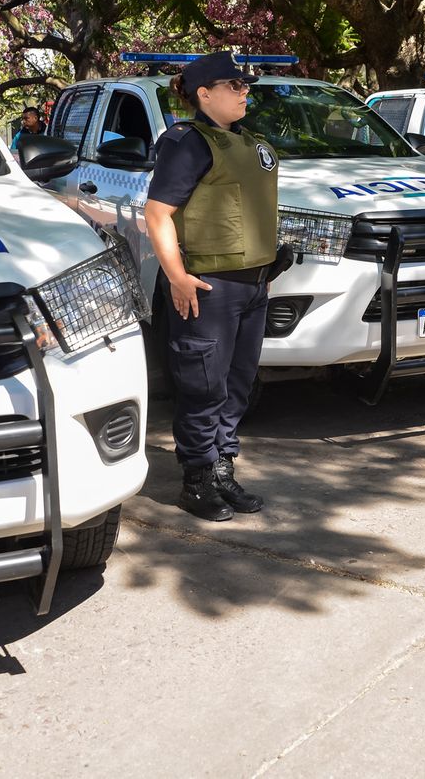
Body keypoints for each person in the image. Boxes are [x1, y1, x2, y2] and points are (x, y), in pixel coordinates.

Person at [142, 52, 281, 521]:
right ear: (204, 93)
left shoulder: (247, 142)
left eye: (246, 85)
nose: (245, 92)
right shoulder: (188, 143)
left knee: (237, 386)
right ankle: (197, 480)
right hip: (209, 285)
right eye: (234, 85)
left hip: (253, 284)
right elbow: (157, 213)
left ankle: (223, 469)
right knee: (203, 387)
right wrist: (177, 276)